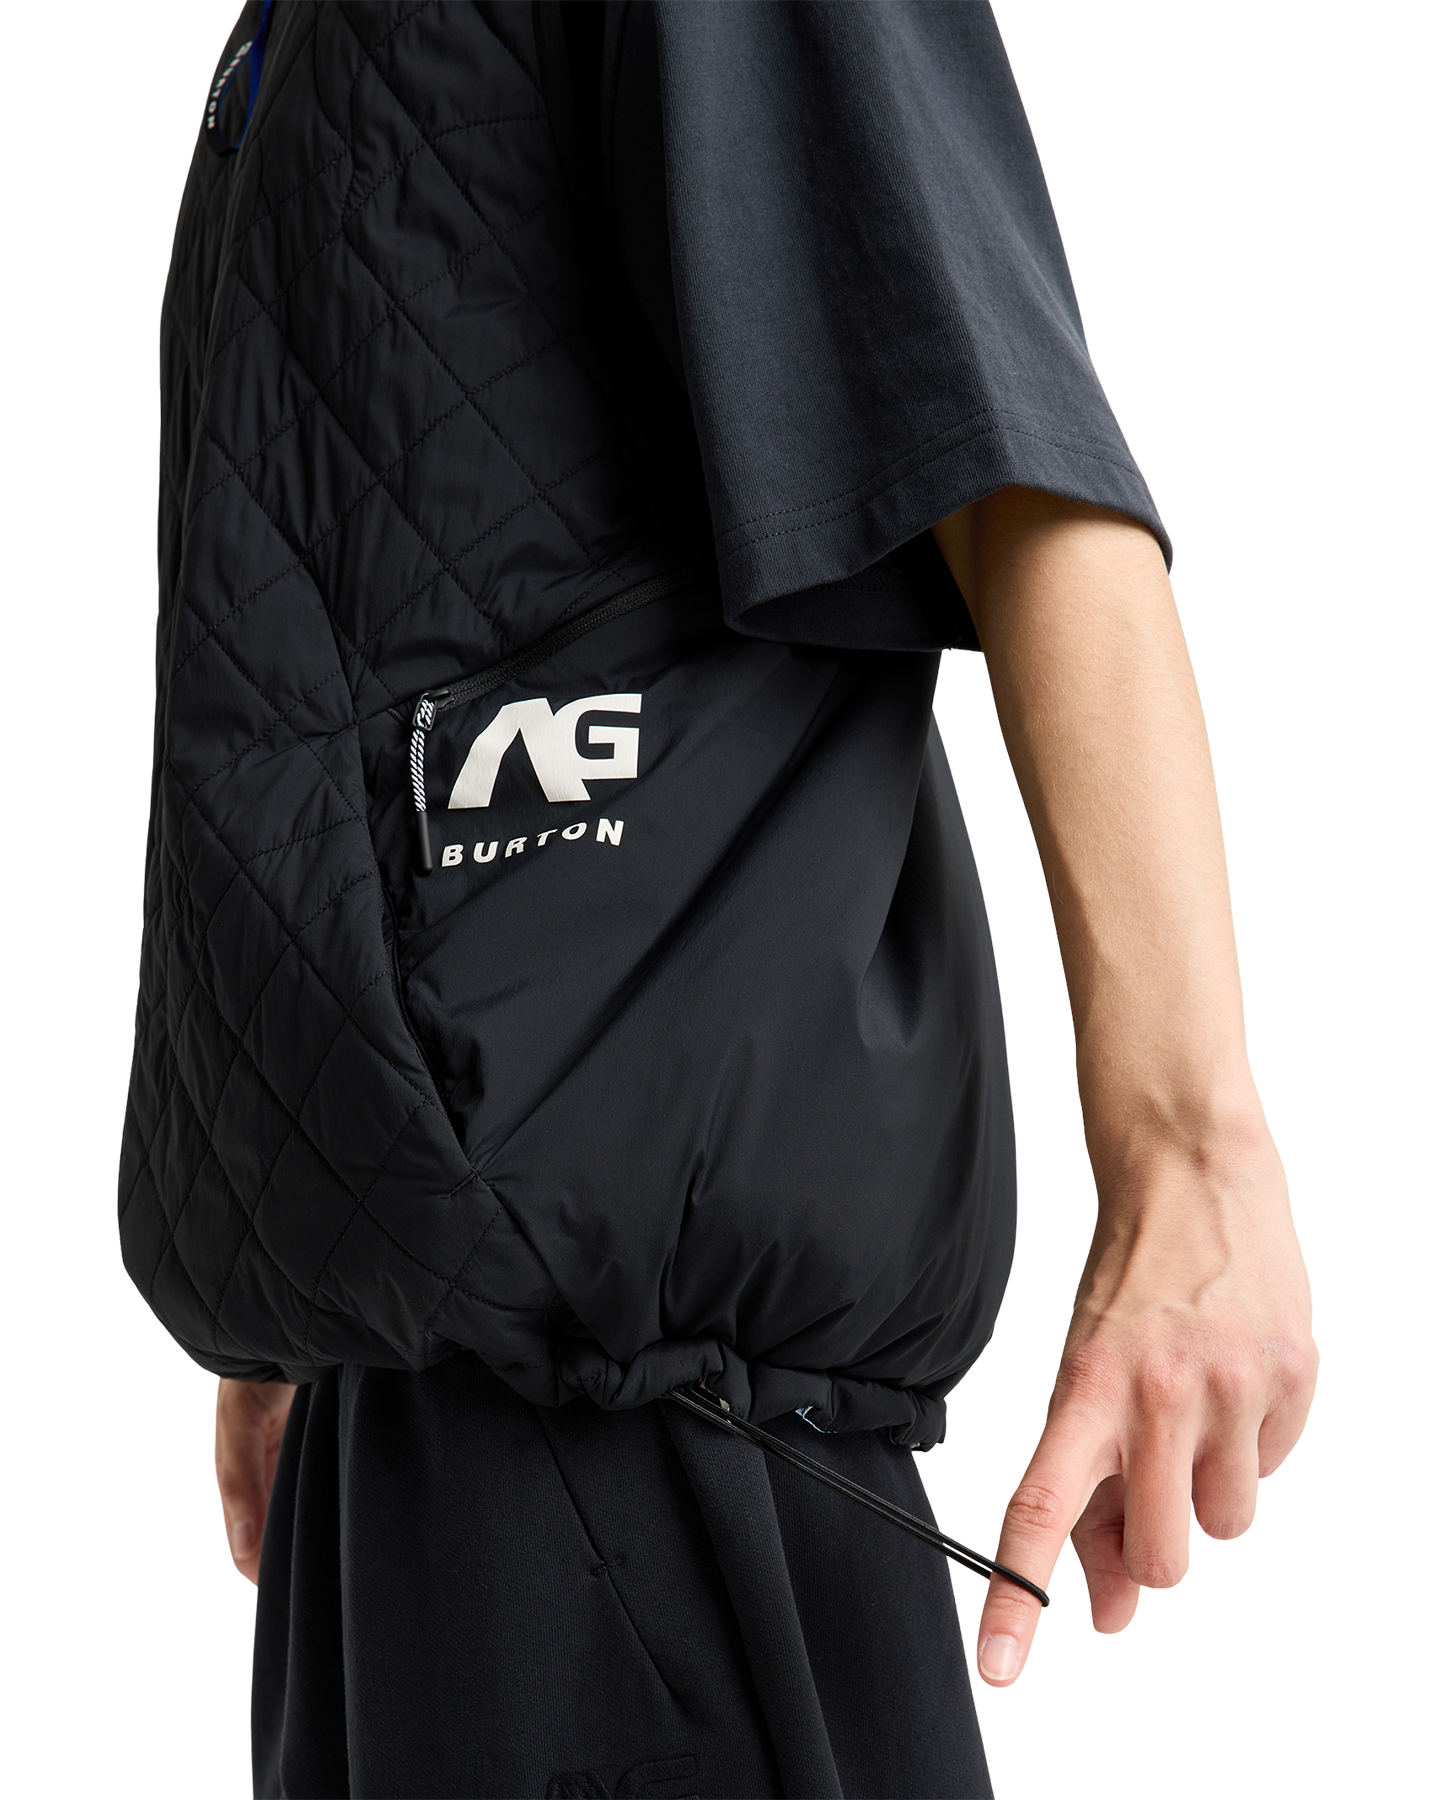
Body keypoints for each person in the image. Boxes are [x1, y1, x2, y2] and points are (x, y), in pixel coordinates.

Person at [123, 2, 1316, 1795]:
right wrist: (300, 1266)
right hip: (418, 1427)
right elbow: (375, 589)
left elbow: (1004, 459)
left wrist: (1194, 1160)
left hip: (650, 1437)